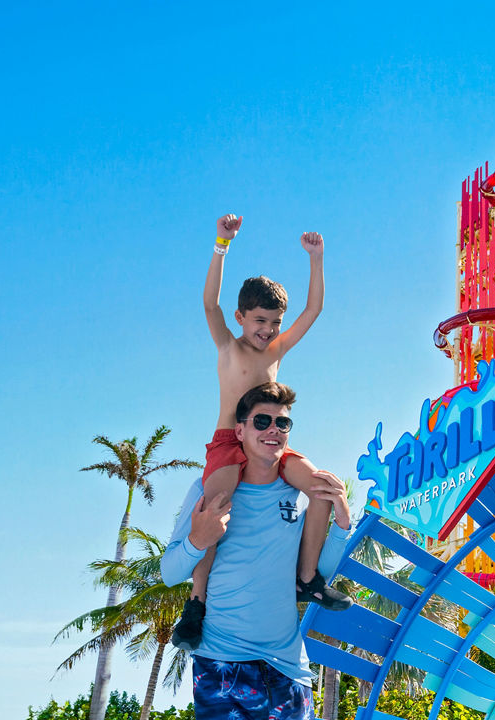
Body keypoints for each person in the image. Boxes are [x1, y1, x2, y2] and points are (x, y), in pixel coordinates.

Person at [172, 213, 351, 652]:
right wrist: (221, 244)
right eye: (259, 322)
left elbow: (315, 310)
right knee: (214, 506)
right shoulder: (228, 345)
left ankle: (307, 578)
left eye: (273, 323)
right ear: (241, 317)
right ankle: (196, 604)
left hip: (270, 439)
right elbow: (209, 304)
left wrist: (317, 258)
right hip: (230, 442)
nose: (267, 331)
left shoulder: (277, 347)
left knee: (324, 487)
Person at [161, 382, 353, 720]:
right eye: (262, 422)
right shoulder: (208, 488)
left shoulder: (297, 492)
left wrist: (341, 525)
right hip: (221, 663)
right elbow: (169, 572)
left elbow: (319, 571)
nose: (273, 430)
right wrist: (197, 541)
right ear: (240, 430)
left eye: (282, 423)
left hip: (289, 667)